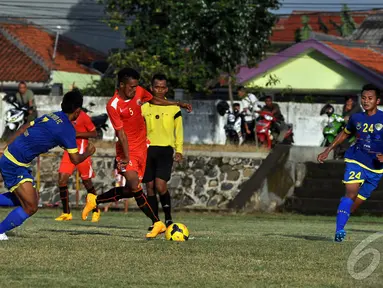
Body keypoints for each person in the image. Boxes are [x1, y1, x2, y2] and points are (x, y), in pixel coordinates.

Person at [81, 68, 192, 239]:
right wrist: (125, 157)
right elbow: (121, 134)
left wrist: (178, 104)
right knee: (135, 185)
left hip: (143, 149)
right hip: (126, 150)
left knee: (131, 190)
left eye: (136, 86)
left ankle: (95, 200)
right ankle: (157, 223)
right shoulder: (113, 105)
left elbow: (155, 100)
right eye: (131, 87)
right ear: (122, 85)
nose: (135, 90)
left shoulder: (139, 92)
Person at [0, 90, 95, 240]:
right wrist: (89, 152)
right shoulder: (67, 129)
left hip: (12, 158)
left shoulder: (52, 115)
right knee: (31, 206)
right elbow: (75, 159)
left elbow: (25, 127)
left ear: (62, 104)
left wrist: (6, 146)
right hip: (15, 164)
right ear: (77, 112)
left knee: (24, 199)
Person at [317, 84, 383, 242]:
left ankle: (343, 219)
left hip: (376, 169)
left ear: (377, 101)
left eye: (370, 98)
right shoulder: (356, 118)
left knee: (353, 205)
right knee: (350, 194)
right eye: (364, 98)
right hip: (356, 159)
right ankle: (339, 231)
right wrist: (328, 150)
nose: (366, 101)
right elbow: (344, 134)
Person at [141, 74, 184, 231]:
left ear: (166, 89)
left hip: (165, 149)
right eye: (156, 87)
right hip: (147, 150)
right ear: (151, 88)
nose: (159, 90)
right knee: (149, 186)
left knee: (160, 185)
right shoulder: (144, 107)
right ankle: (155, 221)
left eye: (162, 87)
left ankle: (168, 218)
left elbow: (179, 131)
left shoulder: (174, 108)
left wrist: (179, 150)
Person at [55, 105, 100, 222]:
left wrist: (77, 134)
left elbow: (94, 133)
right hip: (69, 152)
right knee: (62, 179)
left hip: (82, 153)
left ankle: (96, 210)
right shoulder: (64, 116)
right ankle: (66, 213)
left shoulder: (84, 117)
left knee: (87, 183)